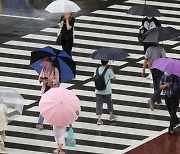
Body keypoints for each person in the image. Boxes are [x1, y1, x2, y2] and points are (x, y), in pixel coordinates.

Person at [36, 57, 60, 130]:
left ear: (51, 63)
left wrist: (50, 81)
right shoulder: (43, 69)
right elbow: (40, 78)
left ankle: (53, 123)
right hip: (45, 89)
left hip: (53, 90)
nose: (46, 64)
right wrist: (42, 79)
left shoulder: (55, 70)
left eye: (47, 63)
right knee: (44, 106)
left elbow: (57, 80)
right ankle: (40, 123)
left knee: (52, 107)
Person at [141, 43, 166, 110]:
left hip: (152, 69)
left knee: (156, 84)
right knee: (161, 85)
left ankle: (158, 100)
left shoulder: (149, 49)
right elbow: (164, 59)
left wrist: (143, 70)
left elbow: (146, 59)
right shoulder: (161, 49)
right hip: (160, 69)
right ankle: (153, 99)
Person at [94, 60, 116, 125]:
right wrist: (112, 70)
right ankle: (111, 116)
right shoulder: (109, 70)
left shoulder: (97, 69)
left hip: (98, 90)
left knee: (99, 104)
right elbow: (114, 78)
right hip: (107, 90)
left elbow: (94, 77)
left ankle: (99, 119)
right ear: (107, 62)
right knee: (109, 103)